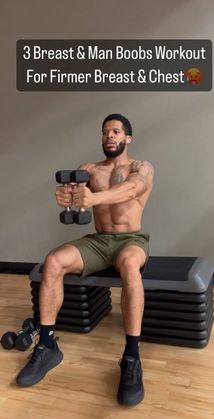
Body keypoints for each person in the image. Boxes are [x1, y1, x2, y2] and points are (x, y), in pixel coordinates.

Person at [16, 113, 154, 406]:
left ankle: (131, 356)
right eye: (105, 131)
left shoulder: (141, 167)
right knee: (52, 261)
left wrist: (93, 199)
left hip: (131, 240)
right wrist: (68, 198)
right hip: (98, 241)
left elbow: (133, 188)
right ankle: (48, 345)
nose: (110, 136)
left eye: (116, 131)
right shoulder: (88, 169)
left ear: (128, 138)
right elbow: (77, 204)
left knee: (130, 265)